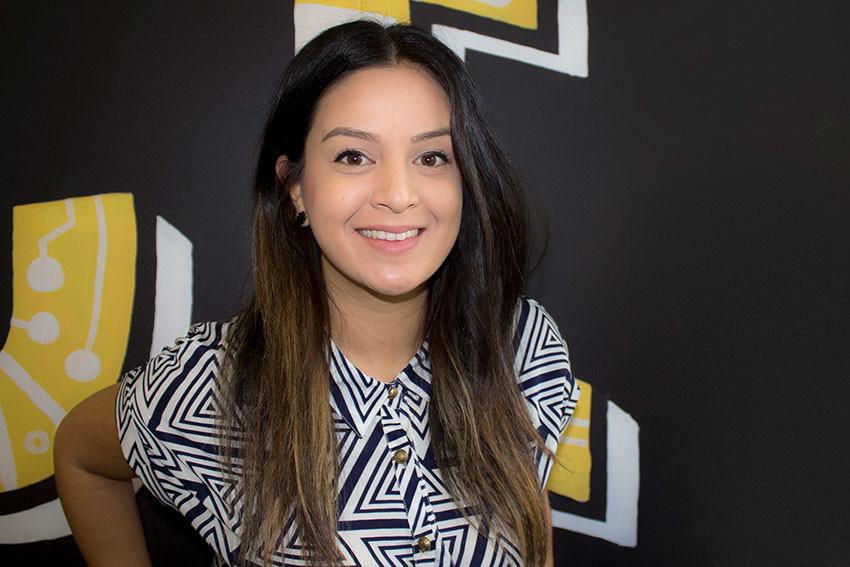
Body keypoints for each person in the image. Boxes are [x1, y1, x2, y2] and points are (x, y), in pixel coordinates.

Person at [54, 20, 579, 567]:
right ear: (294, 187)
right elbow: (80, 456)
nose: (399, 195)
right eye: (353, 156)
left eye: (432, 157)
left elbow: (529, 521)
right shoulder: (214, 386)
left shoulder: (523, 344)